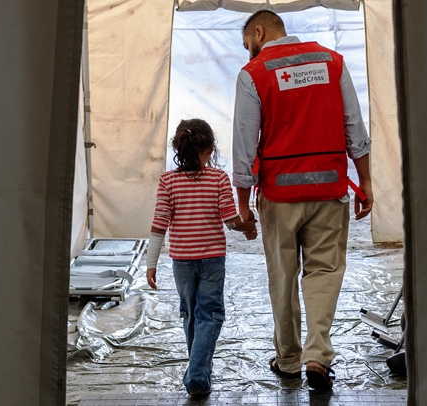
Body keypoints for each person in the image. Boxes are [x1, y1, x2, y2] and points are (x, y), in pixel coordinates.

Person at [231, 10, 374, 391]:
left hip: (279, 196)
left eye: (249, 45)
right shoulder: (332, 61)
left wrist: (242, 203)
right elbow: (354, 128)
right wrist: (367, 181)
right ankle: (317, 354)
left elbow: (244, 146)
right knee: (324, 272)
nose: (249, 54)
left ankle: (290, 359)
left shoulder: (255, 74)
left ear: (259, 32)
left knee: (283, 276)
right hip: (329, 189)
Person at [145, 118, 257, 398]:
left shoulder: (167, 181)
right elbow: (231, 221)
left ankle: (200, 374)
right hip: (211, 260)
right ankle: (197, 374)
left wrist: (150, 263)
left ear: (179, 148)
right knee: (209, 315)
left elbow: (159, 225)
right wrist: (249, 227)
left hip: (181, 261)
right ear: (209, 148)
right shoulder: (218, 179)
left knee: (190, 315)